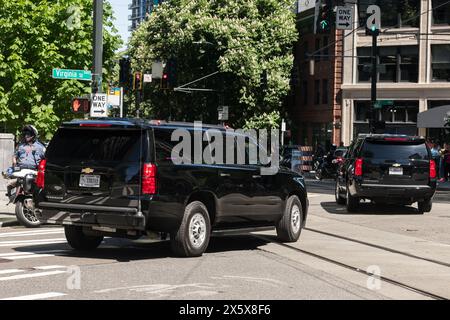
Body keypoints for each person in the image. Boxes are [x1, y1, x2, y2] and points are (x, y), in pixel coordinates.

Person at [5, 125, 45, 196]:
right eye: (25, 134)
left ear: (34, 135)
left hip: (34, 171)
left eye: (28, 134)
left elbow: (45, 159)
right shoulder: (20, 146)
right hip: (21, 169)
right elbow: (14, 156)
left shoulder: (41, 147)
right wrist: (14, 165)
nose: (26, 136)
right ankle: (12, 191)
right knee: (10, 181)